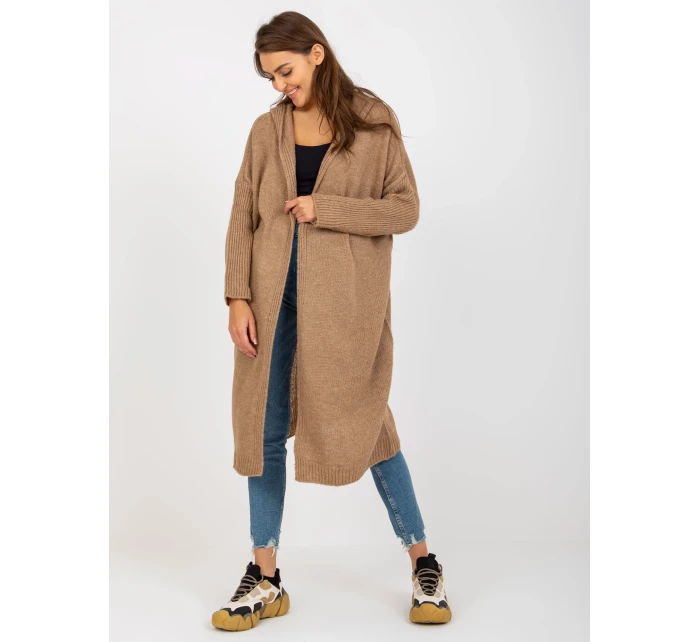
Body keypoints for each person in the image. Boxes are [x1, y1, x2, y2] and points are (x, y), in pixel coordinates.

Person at [211, 11, 451, 631]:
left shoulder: (372, 121)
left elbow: (404, 209)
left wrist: (328, 209)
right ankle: (265, 577)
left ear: (317, 54)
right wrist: (237, 296)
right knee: (263, 432)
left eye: (285, 70)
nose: (279, 85)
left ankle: (424, 562)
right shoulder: (266, 131)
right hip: (270, 304)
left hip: (343, 308)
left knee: (369, 425)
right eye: (269, 76)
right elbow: (242, 214)